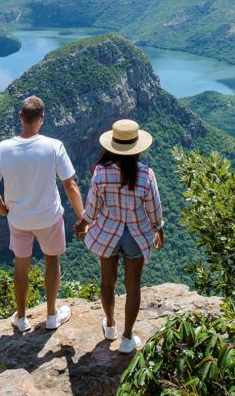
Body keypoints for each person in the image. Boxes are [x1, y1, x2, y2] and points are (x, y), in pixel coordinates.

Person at [0, 96, 85, 332]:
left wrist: (3, 211)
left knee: (21, 267)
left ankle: (21, 318)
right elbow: (70, 186)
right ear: (42, 119)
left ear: (21, 117)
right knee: (52, 260)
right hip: (49, 218)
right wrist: (82, 218)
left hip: (18, 219)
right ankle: (51, 316)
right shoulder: (54, 146)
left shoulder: (2, 149)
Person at [74, 119, 164, 353]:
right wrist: (159, 229)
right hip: (136, 235)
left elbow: (92, 208)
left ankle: (111, 326)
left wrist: (82, 224)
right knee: (133, 286)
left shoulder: (101, 173)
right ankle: (126, 338)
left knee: (107, 282)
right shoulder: (146, 175)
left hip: (107, 234)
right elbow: (154, 209)